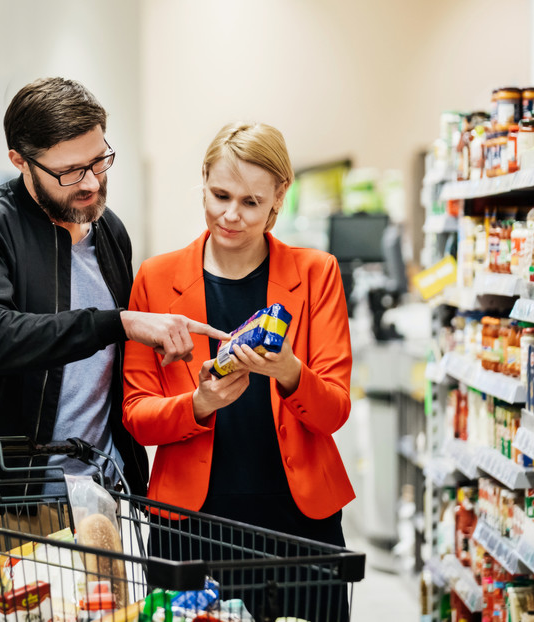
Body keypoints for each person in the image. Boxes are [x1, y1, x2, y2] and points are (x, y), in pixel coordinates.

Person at [0, 77, 227, 529]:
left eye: (100, 161)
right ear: (20, 160)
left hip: (98, 495)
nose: (92, 182)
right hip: (3, 501)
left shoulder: (110, 232)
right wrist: (119, 322)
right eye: (71, 171)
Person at [121, 122, 355, 620]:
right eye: (219, 194)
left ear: (278, 199)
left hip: (299, 521)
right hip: (190, 522)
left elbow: (333, 412)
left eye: (251, 202)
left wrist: (291, 371)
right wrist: (199, 404)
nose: (231, 216)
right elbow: (137, 414)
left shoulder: (317, 273)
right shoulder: (156, 279)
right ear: (203, 179)